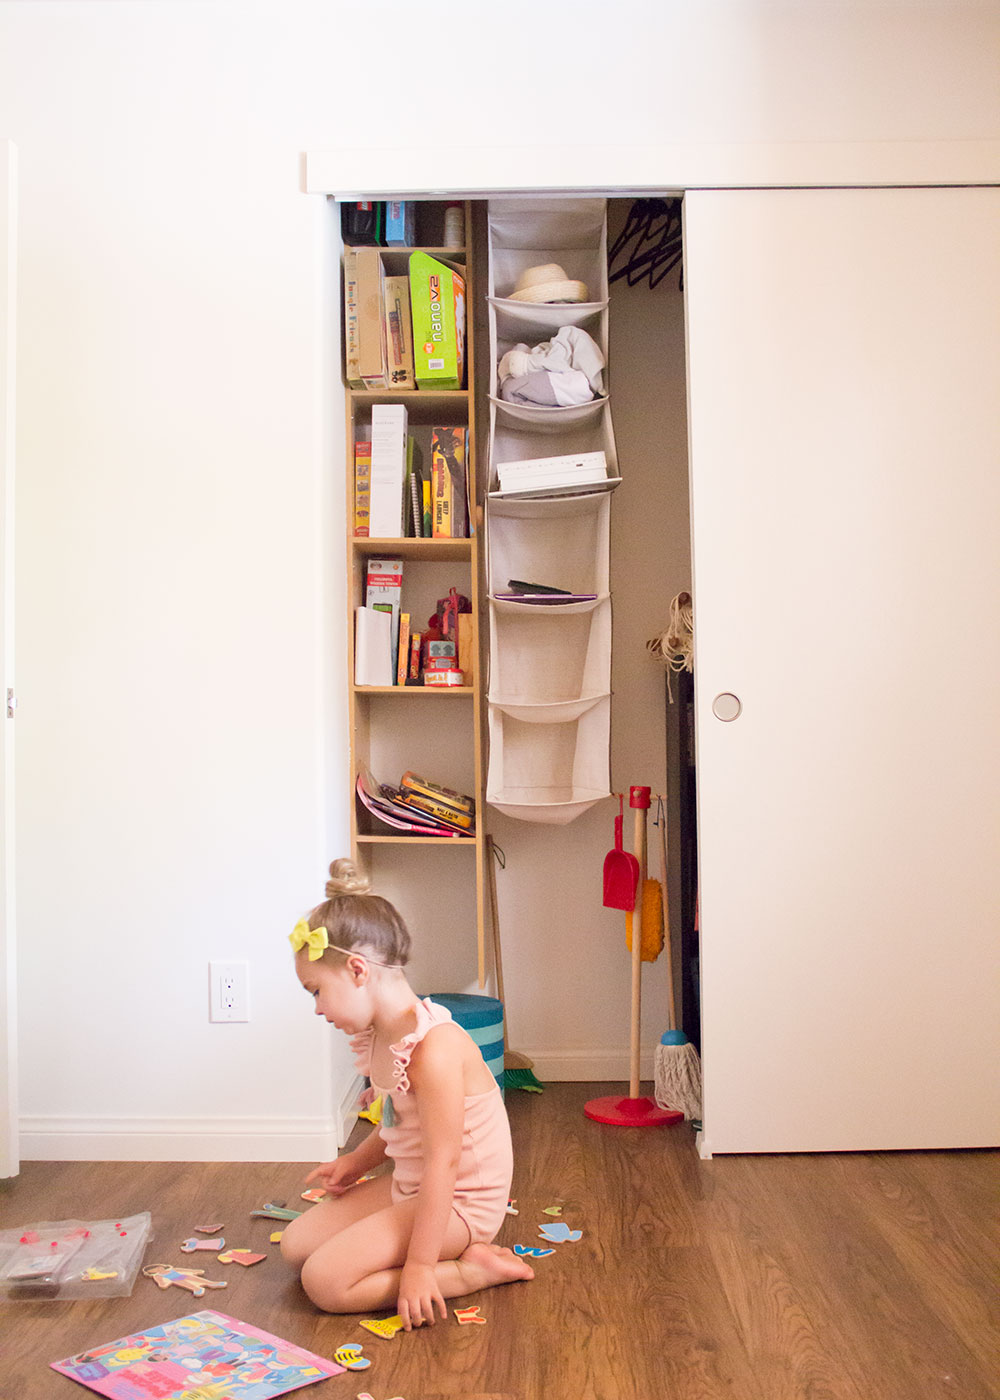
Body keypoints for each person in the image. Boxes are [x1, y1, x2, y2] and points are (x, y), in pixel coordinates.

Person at [280, 859, 534, 1328]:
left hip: (460, 1201)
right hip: (413, 1186)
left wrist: (419, 1269)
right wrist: (357, 1161)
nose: (317, 1008)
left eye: (317, 991)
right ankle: (419, 1255)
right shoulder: (380, 1034)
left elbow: (445, 1161)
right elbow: (398, 1121)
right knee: (297, 1246)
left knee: (325, 1282)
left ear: (358, 971)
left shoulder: (434, 1048)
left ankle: (466, 1271)